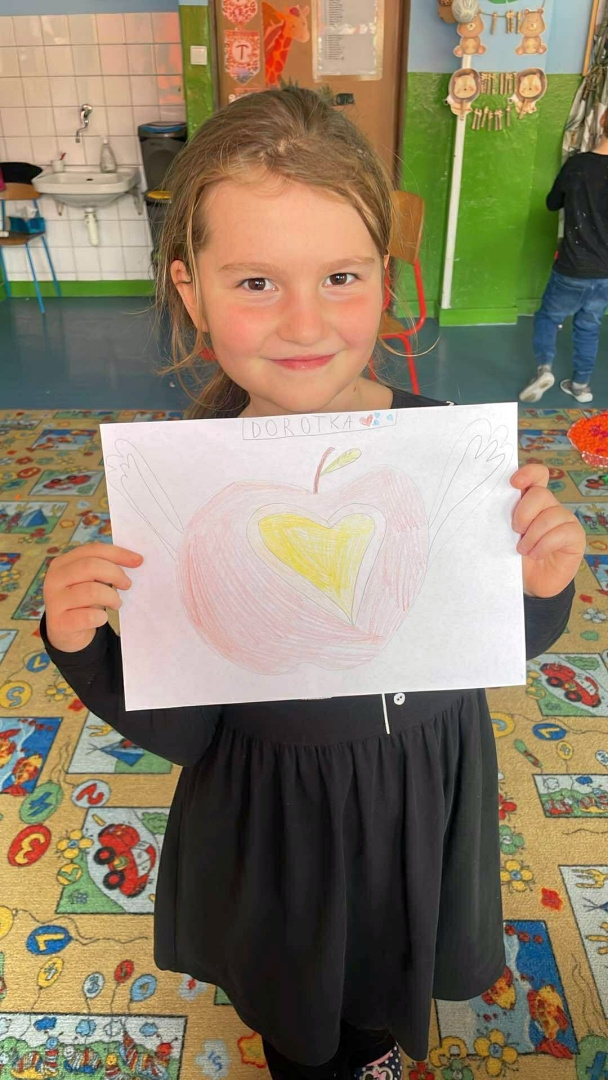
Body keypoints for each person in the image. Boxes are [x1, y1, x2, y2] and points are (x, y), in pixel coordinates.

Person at [41, 87, 584, 1080]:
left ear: (384, 275)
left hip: (425, 787)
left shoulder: (441, 445)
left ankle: (368, 1051)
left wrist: (539, 590)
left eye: (340, 276)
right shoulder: (182, 496)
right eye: (255, 281)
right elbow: (184, 734)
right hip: (281, 820)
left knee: (387, 972)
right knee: (299, 1006)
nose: (305, 322)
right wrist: (82, 646)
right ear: (191, 290)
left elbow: (483, 640)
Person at [519, 110, 608, 404]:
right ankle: (581, 386)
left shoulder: (577, 165)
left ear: (602, 122)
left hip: (573, 268)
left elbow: (551, 202)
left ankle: (545, 369)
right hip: (606, 273)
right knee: (589, 325)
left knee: (548, 316)